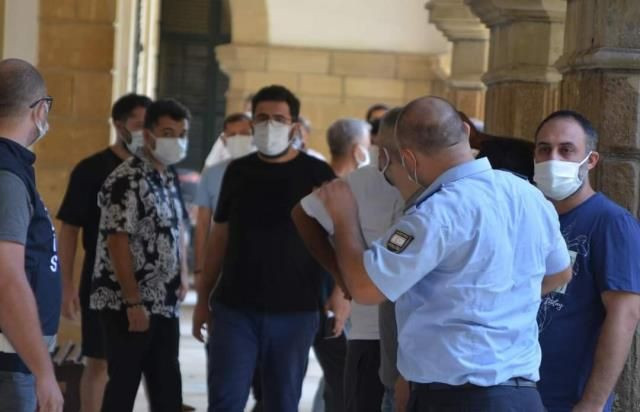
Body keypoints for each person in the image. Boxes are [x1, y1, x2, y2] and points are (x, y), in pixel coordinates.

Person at [315, 96, 573, 411]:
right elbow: (561, 272)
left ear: (408, 159)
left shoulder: (435, 213)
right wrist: (502, 300)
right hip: (520, 395)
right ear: (465, 130)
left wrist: (343, 218)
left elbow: (366, 288)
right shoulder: (527, 194)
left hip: (457, 397)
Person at [192, 85, 340, 412]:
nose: (269, 125)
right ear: (252, 122)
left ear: (294, 126)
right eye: (262, 118)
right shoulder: (237, 171)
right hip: (235, 308)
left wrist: (341, 295)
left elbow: (341, 236)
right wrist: (203, 298)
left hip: (296, 310)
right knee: (225, 400)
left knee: (282, 402)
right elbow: (219, 238)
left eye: (279, 119)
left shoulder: (317, 174)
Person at [293, 113, 405, 412]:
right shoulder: (360, 182)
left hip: (422, 338)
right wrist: (340, 276)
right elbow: (303, 214)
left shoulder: (437, 184)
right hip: (371, 333)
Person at [534, 110, 640, 412]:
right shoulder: (533, 217)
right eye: (544, 149)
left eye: (566, 150)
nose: (553, 159)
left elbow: (626, 314)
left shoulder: (611, 223)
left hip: (569, 398)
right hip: (518, 391)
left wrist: (593, 402)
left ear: (590, 160)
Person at [90, 98, 191, 411]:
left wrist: (183, 273)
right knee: (124, 386)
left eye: (182, 134)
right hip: (127, 304)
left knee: (167, 389)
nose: (177, 141)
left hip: (164, 301)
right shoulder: (127, 179)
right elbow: (117, 241)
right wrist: (133, 302)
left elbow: (176, 227)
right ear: (148, 136)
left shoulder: (168, 176)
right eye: (168, 133)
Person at [57, 93, 151, 412]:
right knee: (99, 362)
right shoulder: (91, 169)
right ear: (119, 125)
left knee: (135, 364)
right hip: (101, 283)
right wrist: (66, 285)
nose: (145, 132)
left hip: (145, 284)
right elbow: (69, 229)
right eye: (139, 124)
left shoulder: (154, 170)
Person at [0, 58, 64, 412]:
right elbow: (7, 278)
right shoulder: (7, 175)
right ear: (40, 110)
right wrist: (44, 372)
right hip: (10, 361)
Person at [194, 112, 254, 280]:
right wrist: (199, 268)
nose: (238, 139)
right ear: (224, 139)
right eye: (232, 135)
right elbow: (203, 223)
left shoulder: (270, 172)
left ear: (254, 136)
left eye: (244, 134)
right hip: (220, 262)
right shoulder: (211, 174)